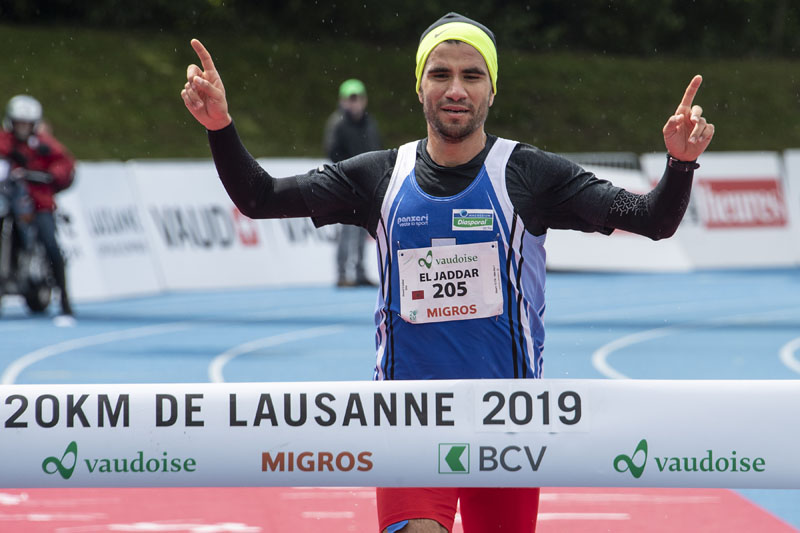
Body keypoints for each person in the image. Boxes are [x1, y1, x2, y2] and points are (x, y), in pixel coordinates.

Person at [181, 11, 713, 533]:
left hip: (508, 424)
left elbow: (651, 219)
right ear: (420, 87)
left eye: (472, 75)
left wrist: (680, 164)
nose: (456, 89)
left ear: (492, 90)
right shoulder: (379, 176)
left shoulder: (530, 176)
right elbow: (260, 198)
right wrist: (220, 128)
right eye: (440, 74)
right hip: (407, 420)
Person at [0, 94, 76, 319]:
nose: (23, 128)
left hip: (38, 202)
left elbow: (65, 164)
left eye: (27, 124)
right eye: (19, 123)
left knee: (49, 241)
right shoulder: (4, 141)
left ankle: (64, 297)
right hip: (9, 201)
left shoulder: (44, 145)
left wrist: (50, 175)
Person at [323, 79, 381, 287]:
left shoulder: (369, 122)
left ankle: (359, 272)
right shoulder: (337, 123)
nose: (355, 103)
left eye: (358, 98)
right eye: (351, 98)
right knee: (347, 229)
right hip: (346, 184)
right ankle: (342, 273)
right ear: (343, 101)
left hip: (366, 185)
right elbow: (332, 152)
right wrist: (351, 171)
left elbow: (376, 149)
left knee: (364, 229)